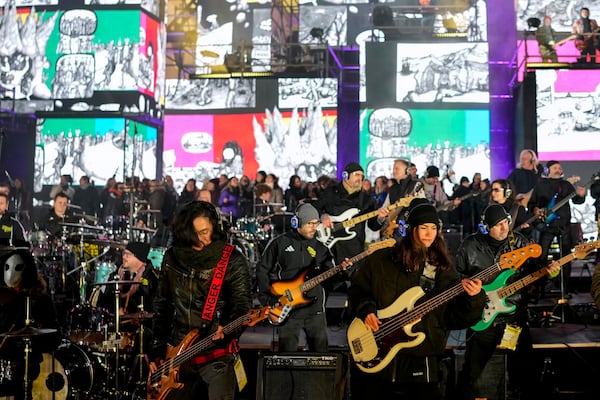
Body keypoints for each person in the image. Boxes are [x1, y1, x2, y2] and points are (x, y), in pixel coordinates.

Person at [348, 198, 485, 400]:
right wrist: (366, 309)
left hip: (422, 356)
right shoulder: (381, 259)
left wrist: (474, 299)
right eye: (423, 227)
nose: (430, 234)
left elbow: (454, 318)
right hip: (376, 351)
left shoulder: (442, 267)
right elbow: (358, 290)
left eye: (433, 228)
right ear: (411, 229)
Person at [454, 204, 558, 400]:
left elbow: (535, 271)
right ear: (486, 227)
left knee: (528, 372)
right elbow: (455, 276)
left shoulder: (518, 242)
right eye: (498, 225)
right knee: (470, 373)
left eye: (505, 223)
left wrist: (549, 273)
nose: (504, 229)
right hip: (482, 317)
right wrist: (470, 289)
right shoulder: (470, 245)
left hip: (513, 316)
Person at [151, 201, 252, 400]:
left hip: (216, 354)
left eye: (205, 231)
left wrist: (228, 327)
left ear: (214, 226)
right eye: (195, 234)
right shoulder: (172, 257)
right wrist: (157, 350)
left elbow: (242, 305)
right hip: (176, 354)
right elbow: (162, 304)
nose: (201, 239)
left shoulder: (232, 260)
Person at [256, 203, 341, 352]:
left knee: (321, 358)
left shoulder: (322, 248)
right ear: (296, 223)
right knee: (286, 357)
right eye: (310, 223)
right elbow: (262, 270)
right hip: (288, 311)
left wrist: (341, 272)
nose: (314, 228)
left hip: (315, 312)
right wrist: (268, 299)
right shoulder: (279, 243)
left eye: (316, 223)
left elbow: (331, 281)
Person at [0, 249, 59, 399]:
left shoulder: (40, 301)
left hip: (28, 363)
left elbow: (53, 336)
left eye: (18, 268)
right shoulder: (5, 300)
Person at [311, 162, 388, 268]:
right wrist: (323, 216)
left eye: (362, 176)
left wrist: (380, 218)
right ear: (345, 176)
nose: (360, 178)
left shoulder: (367, 199)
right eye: (357, 175)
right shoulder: (331, 193)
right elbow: (314, 208)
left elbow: (373, 226)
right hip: (330, 247)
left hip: (354, 249)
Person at [527, 161, 586, 295]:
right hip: (546, 226)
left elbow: (577, 200)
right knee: (541, 256)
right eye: (555, 168)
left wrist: (581, 195)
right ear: (548, 171)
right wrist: (536, 210)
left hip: (564, 225)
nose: (559, 169)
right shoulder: (540, 186)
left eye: (560, 168)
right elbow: (532, 204)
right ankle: (540, 287)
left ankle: (564, 288)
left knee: (565, 256)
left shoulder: (566, 185)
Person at [97, 242, 159, 316]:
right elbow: (102, 303)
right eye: (124, 253)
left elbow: (156, 308)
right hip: (115, 323)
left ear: (139, 258)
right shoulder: (114, 276)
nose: (123, 257)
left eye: (128, 254)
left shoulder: (152, 279)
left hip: (142, 324)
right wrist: (116, 310)